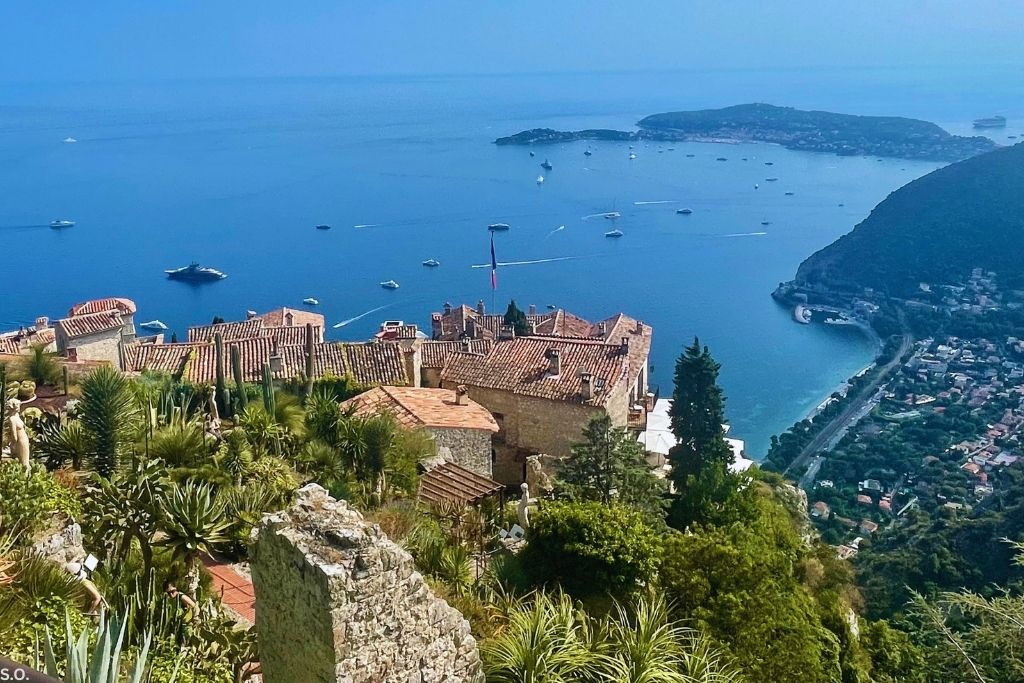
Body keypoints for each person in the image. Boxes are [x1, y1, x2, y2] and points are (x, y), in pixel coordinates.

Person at [5, 399, 30, 471]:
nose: (19, 407)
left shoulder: (17, 416)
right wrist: (13, 445)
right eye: (17, 405)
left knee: (26, 460)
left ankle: (28, 477)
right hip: (20, 441)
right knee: (23, 461)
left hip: (24, 439)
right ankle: (25, 477)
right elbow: (14, 436)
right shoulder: (12, 419)